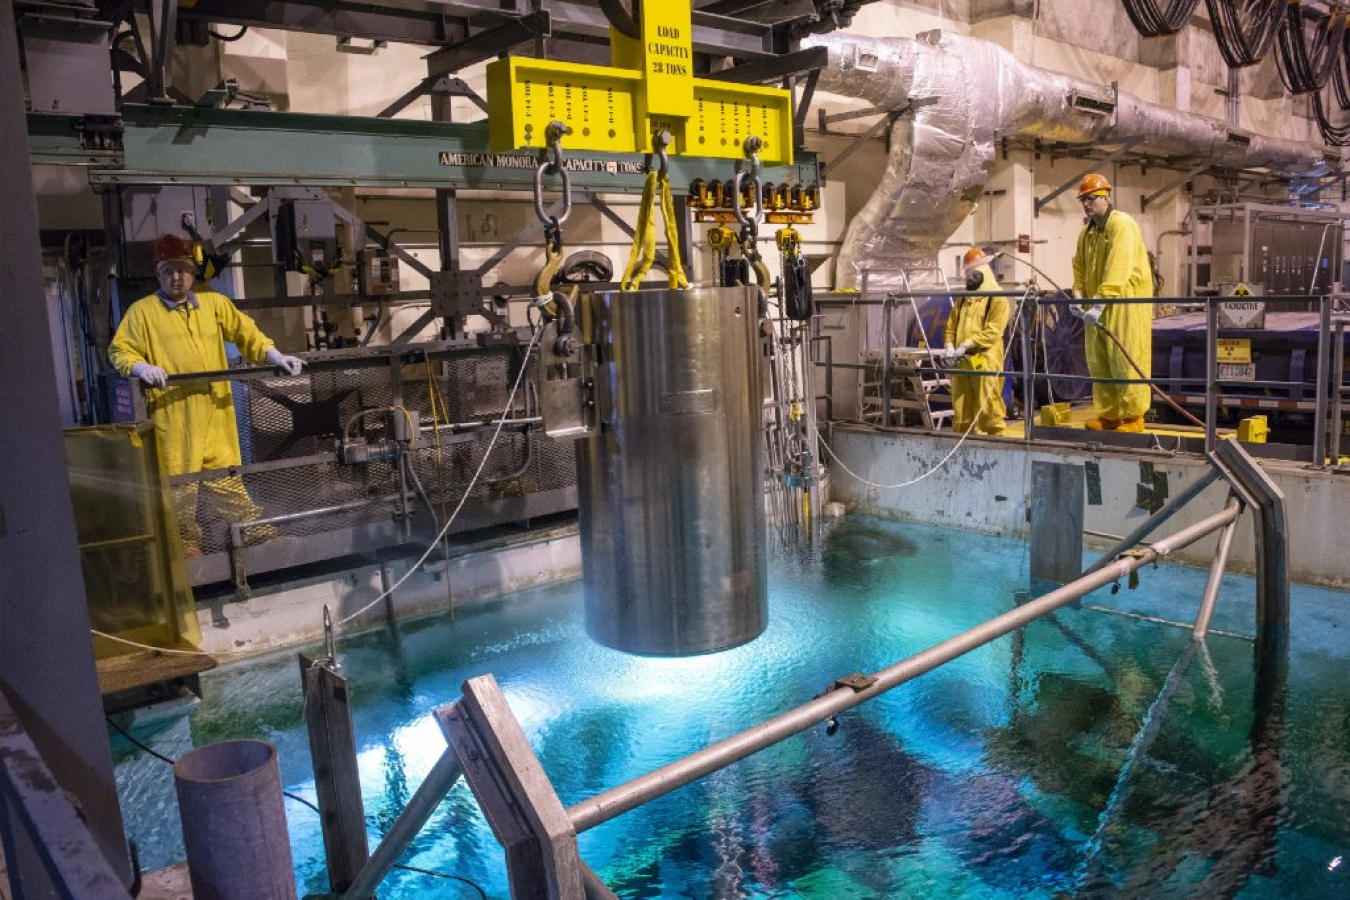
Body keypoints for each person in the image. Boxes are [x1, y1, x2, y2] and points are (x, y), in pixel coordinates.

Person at [109, 233, 305, 554]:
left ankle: (259, 539)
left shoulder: (213, 304)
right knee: (178, 491)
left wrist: (275, 357)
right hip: (174, 419)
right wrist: (140, 367)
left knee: (228, 482)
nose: (177, 277)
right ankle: (185, 555)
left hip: (216, 415)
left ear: (192, 272)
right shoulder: (142, 313)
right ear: (158, 273)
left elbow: (247, 333)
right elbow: (120, 352)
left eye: (183, 270)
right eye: (169, 271)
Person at [1070, 173, 1154, 432]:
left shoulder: (1122, 225)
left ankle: (1133, 418)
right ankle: (1109, 415)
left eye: (1092, 198)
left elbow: (1119, 267)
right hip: (1098, 306)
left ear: (1106, 196)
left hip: (1125, 304)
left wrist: (1097, 304)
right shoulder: (1087, 232)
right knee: (1100, 361)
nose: (1087, 204)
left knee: (1125, 358)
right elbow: (1079, 267)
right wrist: (1078, 296)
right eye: (1083, 199)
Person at [942, 247, 1011, 435]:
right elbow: (951, 326)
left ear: (984, 272)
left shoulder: (997, 299)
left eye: (973, 273)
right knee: (962, 410)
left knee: (990, 408)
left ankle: (997, 444)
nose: (970, 277)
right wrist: (949, 345)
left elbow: (993, 332)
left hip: (985, 360)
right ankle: (964, 446)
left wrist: (966, 344)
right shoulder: (963, 300)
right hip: (962, 363)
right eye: (968, 273)